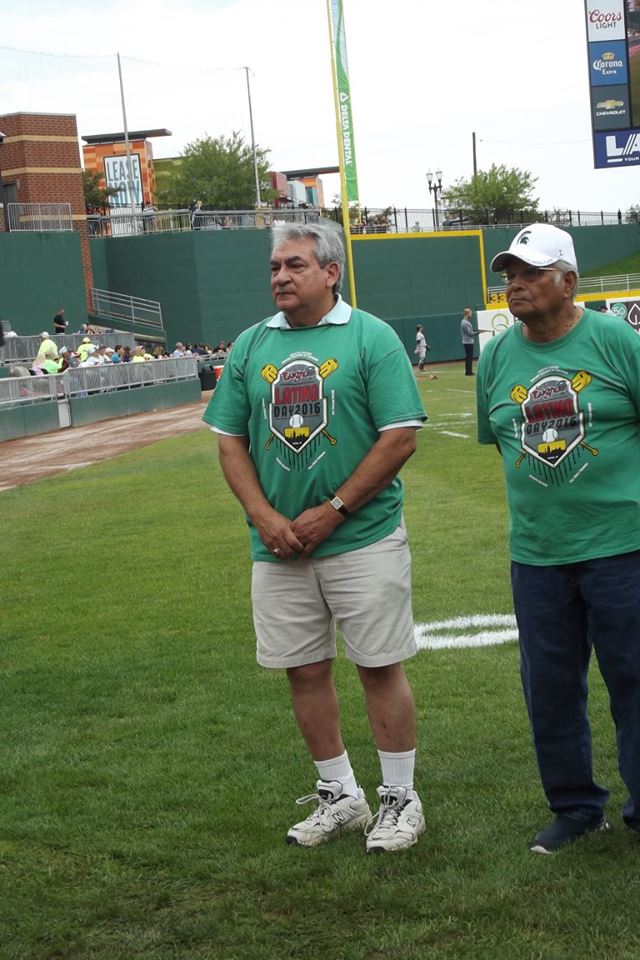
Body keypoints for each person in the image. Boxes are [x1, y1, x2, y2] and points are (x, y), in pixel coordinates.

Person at [203, 221, 427, 854]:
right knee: (302, 671)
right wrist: (263, 517)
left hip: (363, 537)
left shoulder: (370, 337)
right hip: (277, 547)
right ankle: (340, 793)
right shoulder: (250, 345)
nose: (280, 277)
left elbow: (400, 436)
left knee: (378, 665)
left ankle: (400, 799)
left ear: (331, 272)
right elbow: (229, 439)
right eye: (275, 266)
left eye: (295, 265)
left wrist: (334, 508)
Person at [476, 222, 640, 854]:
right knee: (548, 687)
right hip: (538, 554)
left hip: (623, 546)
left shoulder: (615, 340)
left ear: (569, 281)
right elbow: (502, 443)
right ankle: (575, 807)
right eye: (510, 275)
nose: (516, 285)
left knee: (634, 679)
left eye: (531, 273)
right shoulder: (497, 357)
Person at [460, 307, 479, 375]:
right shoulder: (465, 323)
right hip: (468, 342)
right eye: (470, 313)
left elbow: (470, 332)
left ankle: (469, 371)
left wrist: (476, 331)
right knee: (469, 357)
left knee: (469, 357)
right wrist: (477, 333)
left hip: (468, 341)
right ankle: (468, 372)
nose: (471, 314)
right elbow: (469, 333)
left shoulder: (466, 322)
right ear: (467, 314)